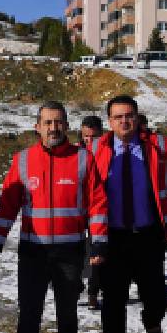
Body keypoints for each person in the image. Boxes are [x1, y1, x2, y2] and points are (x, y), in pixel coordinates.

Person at [0, 101, 108, 333]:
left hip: (70, 253)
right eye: (48, 122)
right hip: (33, 253)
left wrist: (99, 243)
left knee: (68, 315)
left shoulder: (83, 159)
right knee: (29, 316)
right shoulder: (23, 160)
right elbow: (8, 205)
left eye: (59, 122)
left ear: (67, 125)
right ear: (37, 126)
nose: (54, 128)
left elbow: (97, 204)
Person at [90, 96, 167, 333]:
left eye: (129, 115)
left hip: (149, 235)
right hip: (112, 237)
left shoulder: (158, 145)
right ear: (109, 121)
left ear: (137, 117)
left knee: (156, 295)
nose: (124, 121)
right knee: (113, 299)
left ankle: (152, 323)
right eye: (118, 117)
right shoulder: (95, 149)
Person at [78, 115, 106, 310]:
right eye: (85, 136)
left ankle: (93, 293)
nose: (88, 140)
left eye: (93, 137)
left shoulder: (108, 153)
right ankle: (76, 286)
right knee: (79, 253)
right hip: (78, 212)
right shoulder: (76, 153)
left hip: (101, 210)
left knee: (98, 253)